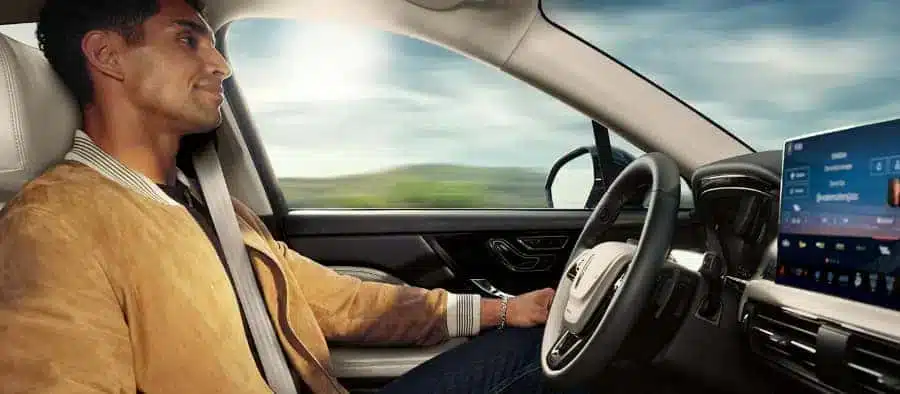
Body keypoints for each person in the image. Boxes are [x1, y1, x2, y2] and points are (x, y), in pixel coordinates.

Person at [0, 0, 588, 393]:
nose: (221, 65)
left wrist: (502, 310)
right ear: (107, 56)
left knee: (536, 343)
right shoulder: (52, 227)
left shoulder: (208, 207)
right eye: (187, 40)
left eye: (212, 44)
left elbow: (340, 302)